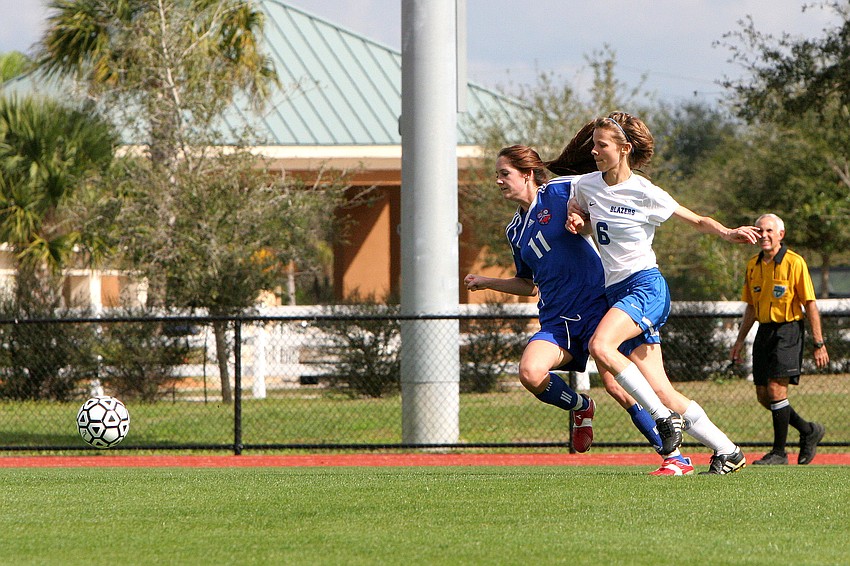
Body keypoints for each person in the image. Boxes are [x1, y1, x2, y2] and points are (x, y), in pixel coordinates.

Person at [465, 140, 682, 471]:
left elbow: (605, 187)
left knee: (618, 387)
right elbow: (528, 284)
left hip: (597, 308)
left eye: (504, 173)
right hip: (557, 322)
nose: (498, 180)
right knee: (530, 372)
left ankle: (673, 457)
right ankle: (581, 406)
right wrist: (488, 281)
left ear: (527, 174)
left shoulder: (562, 190)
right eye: (497, 174)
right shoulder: (514, 230)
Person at [567, 111, 759, 475]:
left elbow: (698, 220)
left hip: (645, 286)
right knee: (663, 389)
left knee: (600, 347)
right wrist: (578, 223)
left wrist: (727, 232)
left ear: (624, 149)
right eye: (594, 144)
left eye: (601, 145)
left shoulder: (645, 192)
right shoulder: (585, 186)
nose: (594, 150)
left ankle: (663, 421)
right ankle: (728, 450)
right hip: (616, 293)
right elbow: (586, 223)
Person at [730, 213, 828, 465]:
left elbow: (810, 304)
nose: (764, 235)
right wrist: (740, 341)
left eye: (769, 231)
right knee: (764, 395)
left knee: (776, 390)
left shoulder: (794, 262)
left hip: (788, 330)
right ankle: (808, 431)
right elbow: (751, 306)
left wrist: (819, 343)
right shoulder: (753, 264)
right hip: (764, 331)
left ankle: (779, 453)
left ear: (780, 235)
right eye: (760, 230)